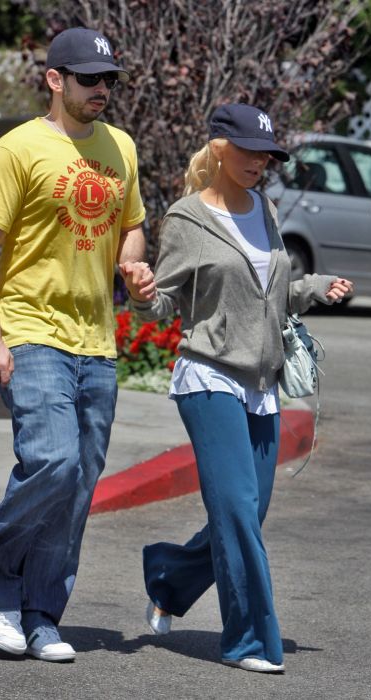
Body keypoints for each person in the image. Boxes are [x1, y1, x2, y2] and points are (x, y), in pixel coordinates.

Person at [121, 103, 353, 674]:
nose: (259, 162)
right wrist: (143, 292)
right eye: (250, 151)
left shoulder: (264, 209)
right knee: (238, 510)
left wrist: (316, 287)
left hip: (261, 382)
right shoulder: (187, 218)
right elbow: (165, 301)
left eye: (268, 155)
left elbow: (271, 294)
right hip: (209, 377)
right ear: (221, 147)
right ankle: (249, 639)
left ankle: (170, 580)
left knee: (246, 512)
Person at [0, 26, 154, 663]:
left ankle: (42, 614)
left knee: (78, 485)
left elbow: (131, 227)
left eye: (109, 80)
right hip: (31, 330)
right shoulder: (18, 148)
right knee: (54, 461)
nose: (102, 90)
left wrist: (132, 265)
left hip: (96, 340)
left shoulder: (121, 146)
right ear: (55, 80)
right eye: (89, 79)